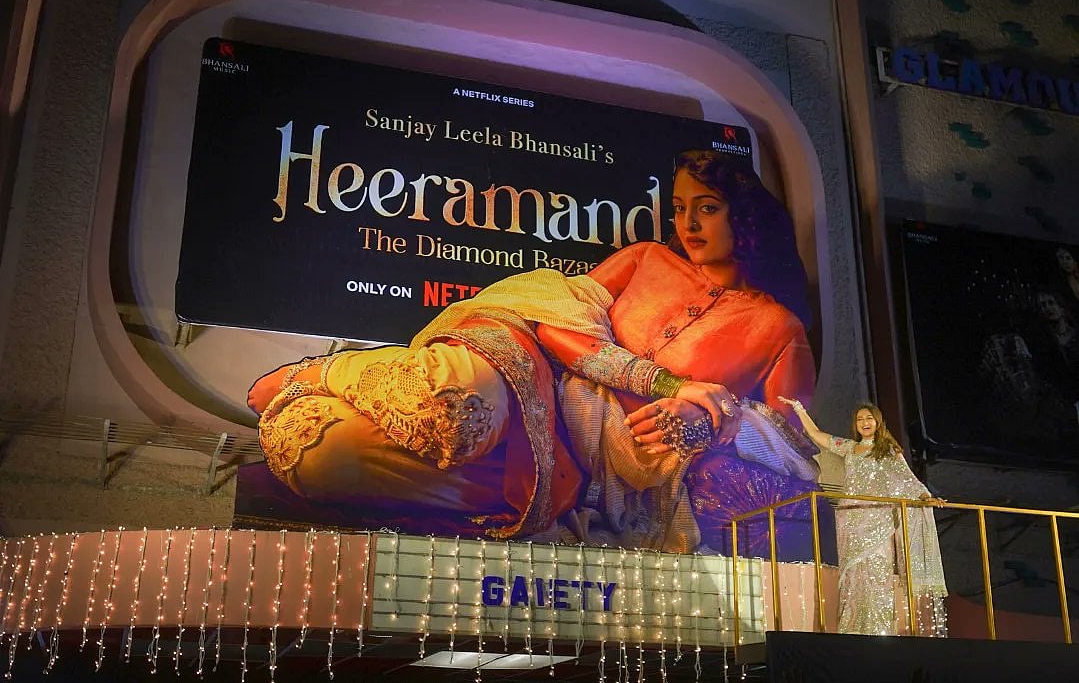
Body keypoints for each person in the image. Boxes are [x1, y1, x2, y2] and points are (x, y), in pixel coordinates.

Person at [247, 150, 825, 555]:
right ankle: (325, 369)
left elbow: (797, 447)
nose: (688, 222)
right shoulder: (646, 259)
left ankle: (317, 398)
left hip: (579, 470)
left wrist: (714, 419)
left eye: (707, 207)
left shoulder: (780, 329)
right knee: (460, 411)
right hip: (534, 379)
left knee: (319, 453)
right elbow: (559, 322)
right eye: (679, 207)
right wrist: (668, 386)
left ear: (745, 215)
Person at [778, 398, 948, 636]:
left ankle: (878, 632)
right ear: (855, 425)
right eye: (860, 419)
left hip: (877, 521)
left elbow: (907, 479)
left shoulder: (888, 451)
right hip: (850, 521)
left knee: (877, 572)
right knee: (852, 575)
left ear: (878, 422)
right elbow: (816, 435)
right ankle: (852, 631)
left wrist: (925, 497)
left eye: (869, 418)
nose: (865, 423)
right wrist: (798, 408)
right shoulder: (848, 447)